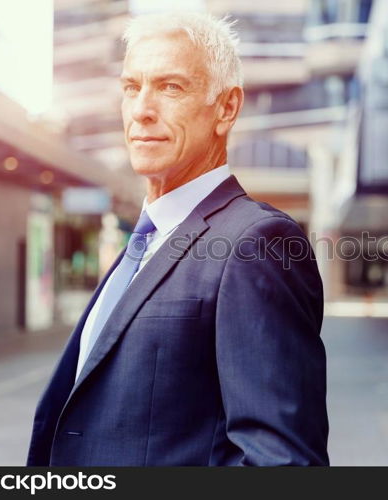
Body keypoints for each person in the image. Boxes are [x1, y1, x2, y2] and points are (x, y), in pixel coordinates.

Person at [26, 11, 328, 466]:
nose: (142, 109)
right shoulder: (144, 243)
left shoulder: (257, 243)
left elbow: (282, 462)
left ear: (226, 108)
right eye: (132, 87)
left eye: (170, 87)